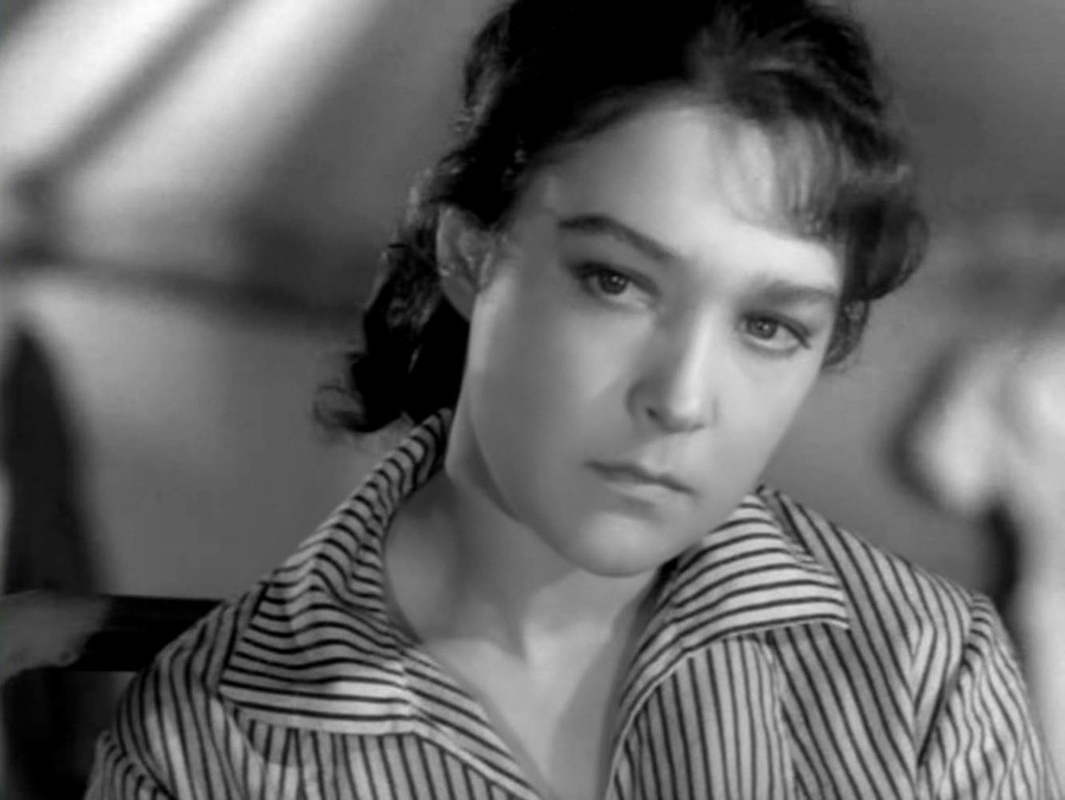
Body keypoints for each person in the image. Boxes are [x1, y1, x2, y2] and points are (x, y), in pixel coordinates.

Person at [86, 0, 1059, 797]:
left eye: (768, 325)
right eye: (614, 281)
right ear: (470, 255)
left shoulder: (928, 671)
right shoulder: (206, 742)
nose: (681, 399)